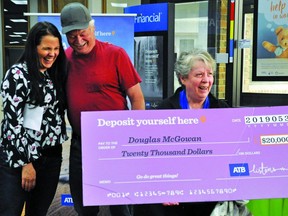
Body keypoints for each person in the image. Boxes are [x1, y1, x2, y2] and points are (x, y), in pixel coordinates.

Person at [60, 2, 145, 216]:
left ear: (92, 28)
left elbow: (136, 98)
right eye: (71, 36)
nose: (78, 41)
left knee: (120, 205)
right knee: (84, 204)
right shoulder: (65, 60)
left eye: (82, 33)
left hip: (117, 142)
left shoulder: (116, 54)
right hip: (81, 143)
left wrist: (135, 136)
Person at [142, 49, 229, 216]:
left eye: (209, 74)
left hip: (209, 194)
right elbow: (150, 156)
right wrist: (161, 187)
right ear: (183, 79)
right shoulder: (163, 111)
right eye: (199, 75)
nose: (206, 80)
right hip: (173, 194)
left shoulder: (222, 110)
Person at [0, 21, 67, 216]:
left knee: (38, 212)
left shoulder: (56, 74)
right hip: (19, 159)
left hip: (51, 157)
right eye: (46, 48)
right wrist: (26, 164)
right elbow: (13, 124)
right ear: (33, 47)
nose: (52, 53)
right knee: (9, 211)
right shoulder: (17, 75)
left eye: (55, 48)